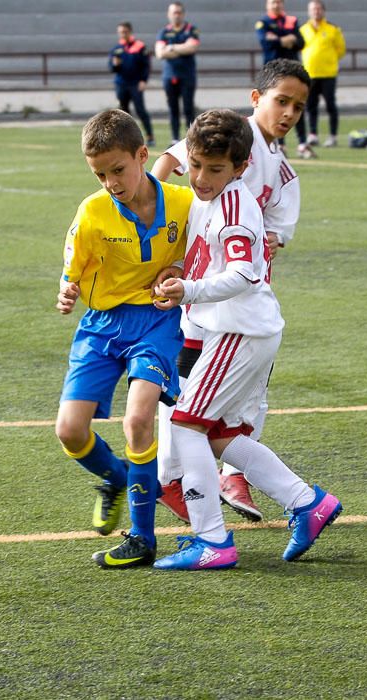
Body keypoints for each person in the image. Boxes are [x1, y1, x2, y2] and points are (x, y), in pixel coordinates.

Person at [150, 109, 342, 570]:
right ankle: (307, 502)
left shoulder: (236, 205)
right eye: (195, 165)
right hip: (236, 331)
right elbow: (207, 258)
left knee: (185, 425)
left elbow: (241, 272)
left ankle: (212, 541)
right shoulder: (205, 199)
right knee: (217, 435)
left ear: (239, 168)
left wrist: (189, 291)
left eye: (215, 169)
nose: (200, 177)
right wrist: (182, 274)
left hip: (240, 332)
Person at [151, 58, 309, 524]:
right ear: (257, 97)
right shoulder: (222, 132)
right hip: (205, 304)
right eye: (282, 100)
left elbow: (269, 244)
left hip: (234, 305)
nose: (288, 113)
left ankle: (230, 479)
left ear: (236, 168)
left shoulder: (280, 174)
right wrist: (154, 222)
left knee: (231, 403)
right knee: (184, 395)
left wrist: (264, 242)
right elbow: (169, 162)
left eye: (298, 107)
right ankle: (175, 480)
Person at [54, 109, 193, 569]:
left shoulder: (184, 204)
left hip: (156, 323)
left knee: (139, 420)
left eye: (118, 170)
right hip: (100, 326)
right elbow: (71, 270)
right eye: (100, 174)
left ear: (142, 155)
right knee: (70, 432)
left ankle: (143, 537)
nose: (111, 182)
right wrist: (67, 289)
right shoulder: (92, 211)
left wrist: (180, 270)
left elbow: (203, 253)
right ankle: (117, 478)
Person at [255, 0, 314, 159]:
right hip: (274, 76)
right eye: (273, 2)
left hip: (293, 72)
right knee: (277, 109)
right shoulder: (263, 22)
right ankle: (279, 145)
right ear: (268, 5)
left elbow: (301, 42)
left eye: (279, 2)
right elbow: (265, 42)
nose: (276, 5)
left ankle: (302, 143)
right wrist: (285, 40)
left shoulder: (291, 20)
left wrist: (278, 39)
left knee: (296, 107)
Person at [300, 0, 346, 148]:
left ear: (323, 11)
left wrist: (329, 61)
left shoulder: (333, 29)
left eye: (319, 9)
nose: (316, 11)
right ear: (309, 11)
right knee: (311, 105)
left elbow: (341, 50)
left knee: (330, 105)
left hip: (328, 74)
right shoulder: (303, 29)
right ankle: (313, 134)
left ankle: (333, 136)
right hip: (310, 74)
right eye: (313, 9)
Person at [155, 2, 200, 145]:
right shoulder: (163, 32)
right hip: (169, 76)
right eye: (174, 12)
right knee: (173, 108)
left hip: (187, 76)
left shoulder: (191, 29)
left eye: (179, 12)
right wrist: (182, 49)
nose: (176, 15)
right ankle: (174, 139)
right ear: (169, 14)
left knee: (188, 108)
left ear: (183, 14)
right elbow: (160, 53)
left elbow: (191, 47)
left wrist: (172, 47)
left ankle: (191, 138)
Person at [108, 22, 155, 147]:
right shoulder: (117, 49)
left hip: (135, 83)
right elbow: (112, 68)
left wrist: (143, 80)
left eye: (124, 32)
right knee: (123, 113)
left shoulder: (139, 47)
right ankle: (126, 139)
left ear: (130, 32)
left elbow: (146, 65)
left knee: (140, 110)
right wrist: (115, 64)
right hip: (121, 84)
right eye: (120, 32)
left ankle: (150, 136)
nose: (122, 34)